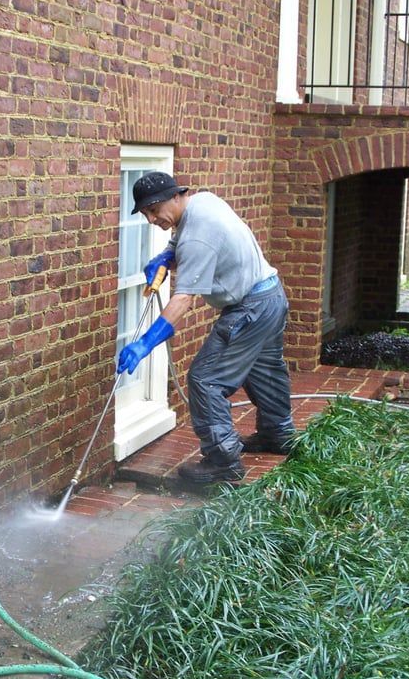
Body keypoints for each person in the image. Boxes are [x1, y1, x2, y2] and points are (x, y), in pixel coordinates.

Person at [117, 172, 295, 483]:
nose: (151, 219)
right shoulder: (202, 202)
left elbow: (183, 299)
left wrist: (144, 343)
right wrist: (165, 256)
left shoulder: (197, 236)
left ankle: (222, 460)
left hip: (249, 308)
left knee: (206, 379)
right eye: (146, 213)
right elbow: (182, 239)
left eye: (154, 211)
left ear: (175, 197)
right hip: (270, 297)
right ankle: (277, 435)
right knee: (264, 369)